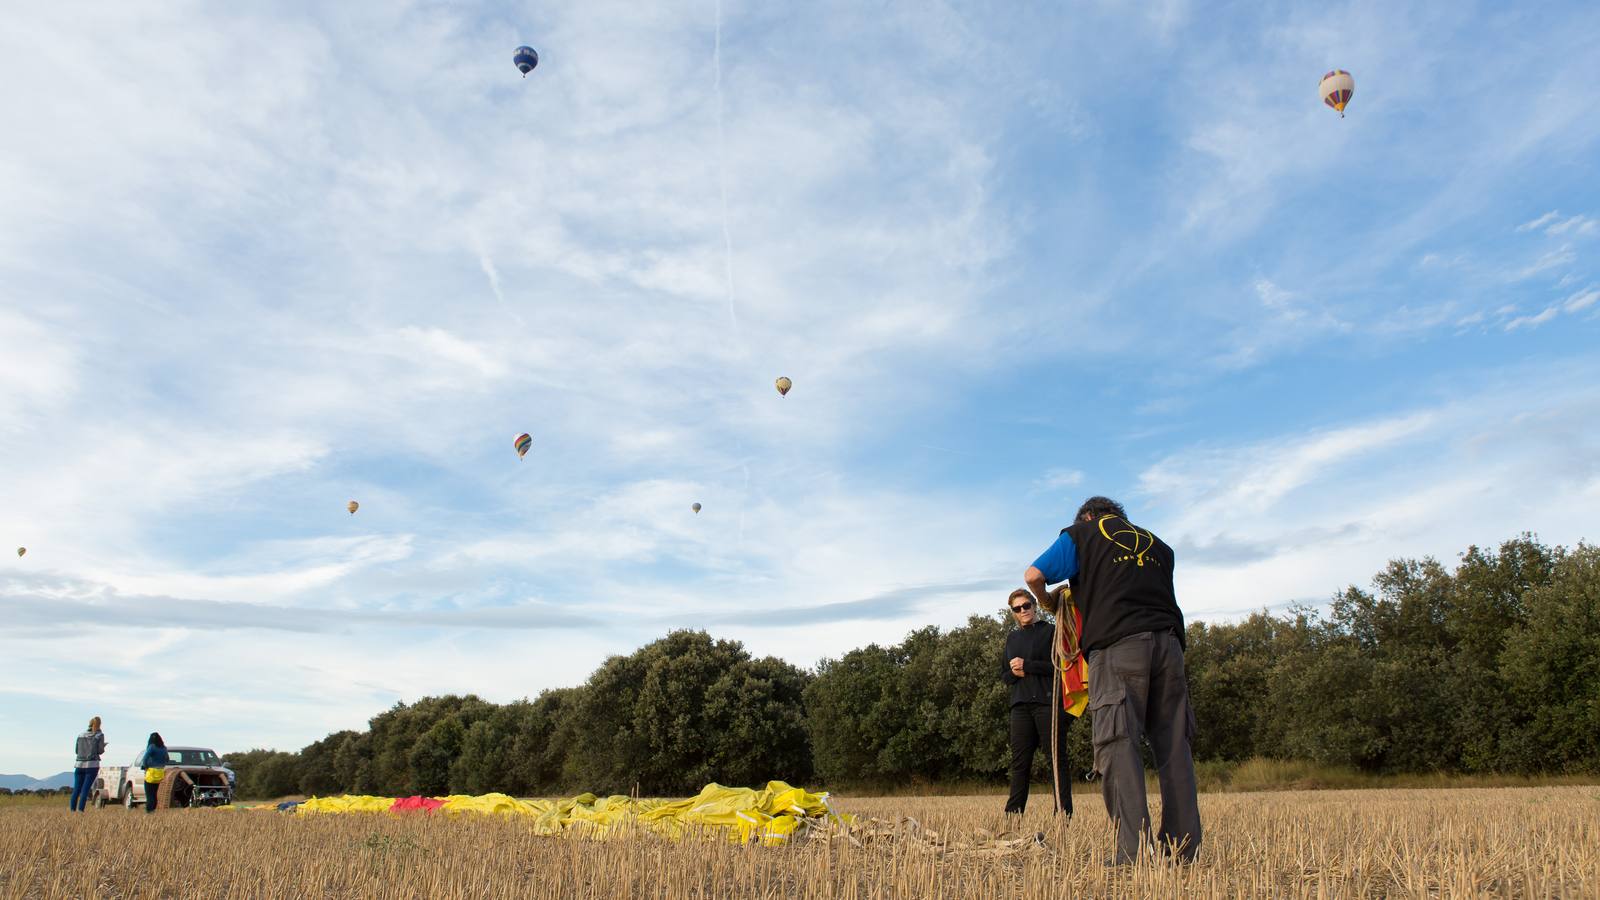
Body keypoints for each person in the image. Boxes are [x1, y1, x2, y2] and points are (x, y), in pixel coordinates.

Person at [1024, 496, 1201, 865]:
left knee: (1117, 742)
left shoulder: (1083, 533)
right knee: (1174, 748)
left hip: (1118, 649)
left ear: (1088, 516)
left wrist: (1049, 603)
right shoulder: (1159, 545)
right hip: (1170, 648)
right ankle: (1184, 851)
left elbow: (1033, 576)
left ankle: (1133, 853)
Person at [999, 588, 1074, 817]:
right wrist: (1015, 672)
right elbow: (1004, 675)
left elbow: (1062, 667)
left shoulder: (1051, 632)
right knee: (1020, 764)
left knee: (1056, 761)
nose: (1023, 611)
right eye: (1017, 608)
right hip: (1020, 705)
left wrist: (1028, 666)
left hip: (1047, 704)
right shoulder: (1012, 638)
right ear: (1013, 612)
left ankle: (1062, 815)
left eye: (1026, 605)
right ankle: (1013, 815)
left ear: (1035, 605)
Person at [70, 717, 107, 812]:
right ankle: (80, 810)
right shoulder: (99, 735)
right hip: (92, 765)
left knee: (76, 789)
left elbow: (76, 750)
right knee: (85, 789)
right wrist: (103, 746)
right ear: (99, 724)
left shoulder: (80, 735)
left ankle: (72, 810)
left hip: (79, 764)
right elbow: (100, 750)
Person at [136, 733, 169, 813]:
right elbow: (167, 759)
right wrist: (162, 765)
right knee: (154, 793)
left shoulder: (152, 747)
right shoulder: (164, 748)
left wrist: (145, 766)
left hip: (151, 772)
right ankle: (153, 809)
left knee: (149, 793)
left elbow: (145, 758)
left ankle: (149, 810)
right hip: (160, 772)